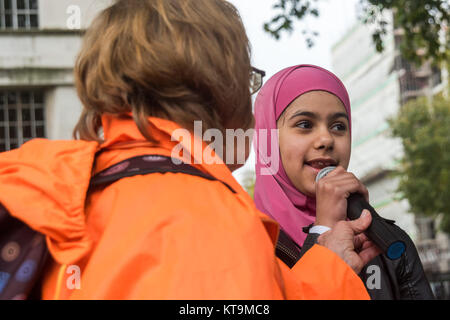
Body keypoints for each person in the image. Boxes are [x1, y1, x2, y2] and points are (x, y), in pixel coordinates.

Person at [0, 1, 377, 299]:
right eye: (246, 79)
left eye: (338, 125)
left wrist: (326, 267)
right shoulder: (202, 220)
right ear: (218, 87)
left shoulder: (67, 186)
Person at [253, 64, 435, 300]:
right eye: (305, 125)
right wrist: (324, 232)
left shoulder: (387, 242)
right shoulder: (242, 243)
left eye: (339, 126)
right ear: (267, 137)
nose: (326, 139)